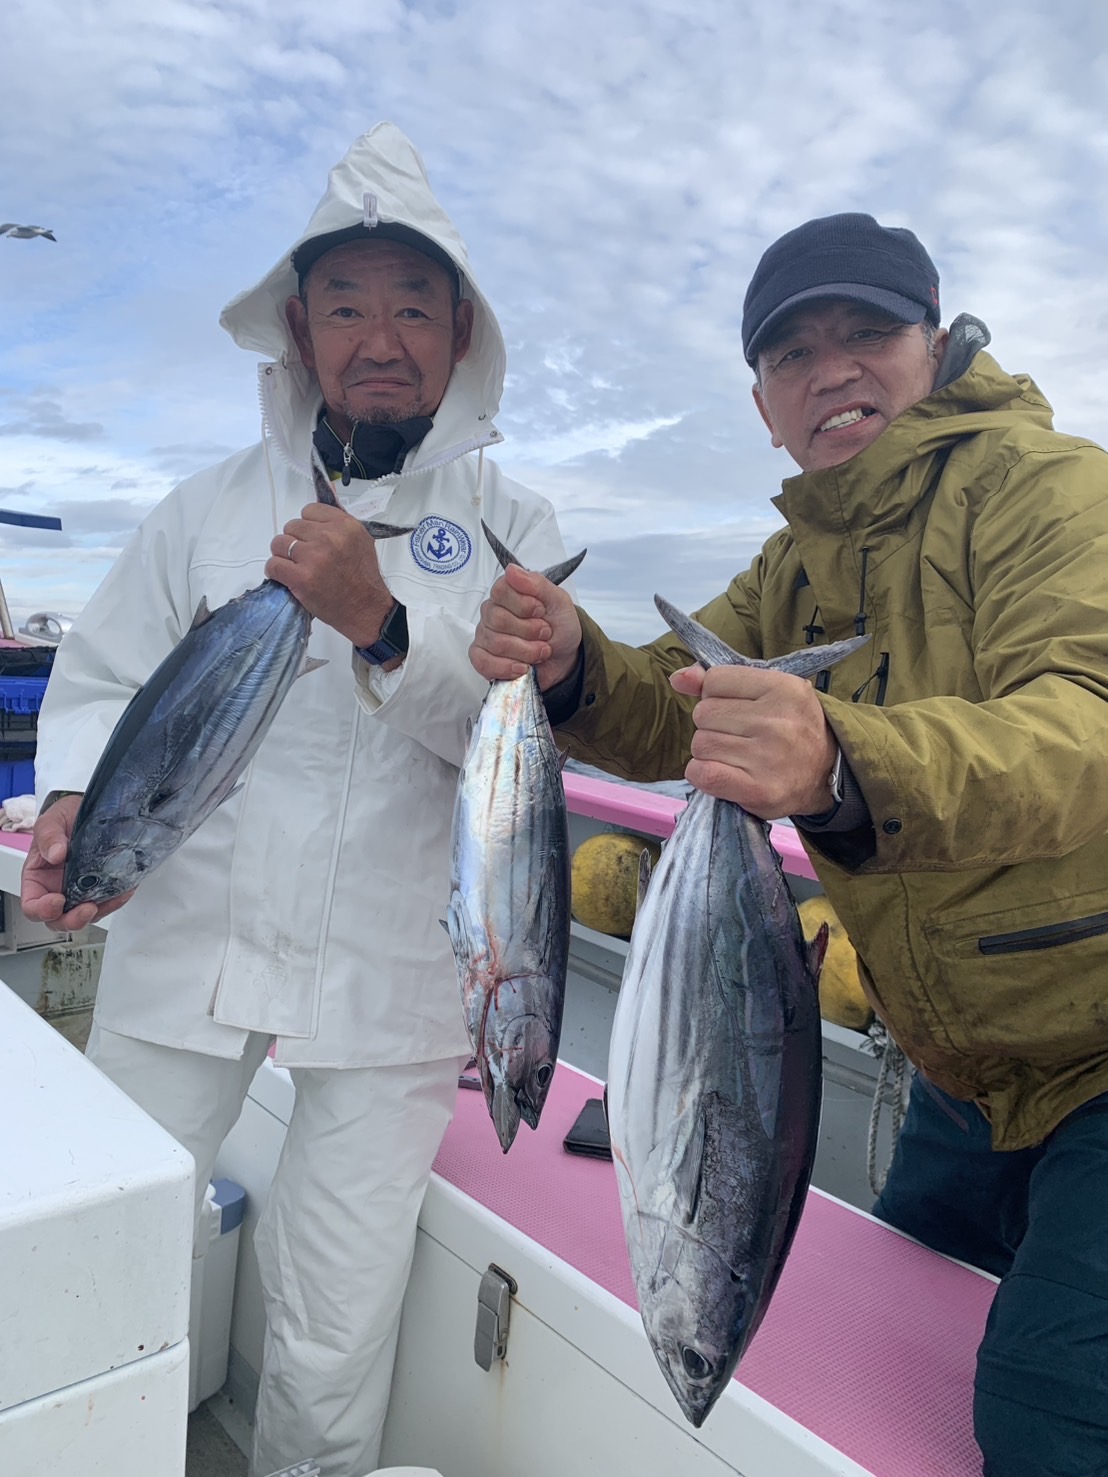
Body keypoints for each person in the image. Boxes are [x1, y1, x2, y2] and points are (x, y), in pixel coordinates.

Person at [469, 212, 1108, 1477]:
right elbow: (672, 707)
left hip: (1093, 1041)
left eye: (867, 332)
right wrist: (574, 661)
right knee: (890, 1329)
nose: (833, 370)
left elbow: (1085, 721)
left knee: (1053, 1417)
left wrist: (841, 759)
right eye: (792, 354)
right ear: (763, 404)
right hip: (963, 1072)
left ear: (935, 341)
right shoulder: (794, 566)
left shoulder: (1049, 491)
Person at [22, 122, 567, 1477]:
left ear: (460, 332)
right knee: (101, 1245)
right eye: (346, 307)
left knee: (335, 1320)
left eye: (413, 307)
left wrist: (385, 623)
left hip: (391, 976)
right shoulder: (201, 511)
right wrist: (74, 796)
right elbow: (102, 679)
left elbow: (516, 756)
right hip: (186, 942)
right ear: (299, 329)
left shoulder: (516, 532)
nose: (380, 338)